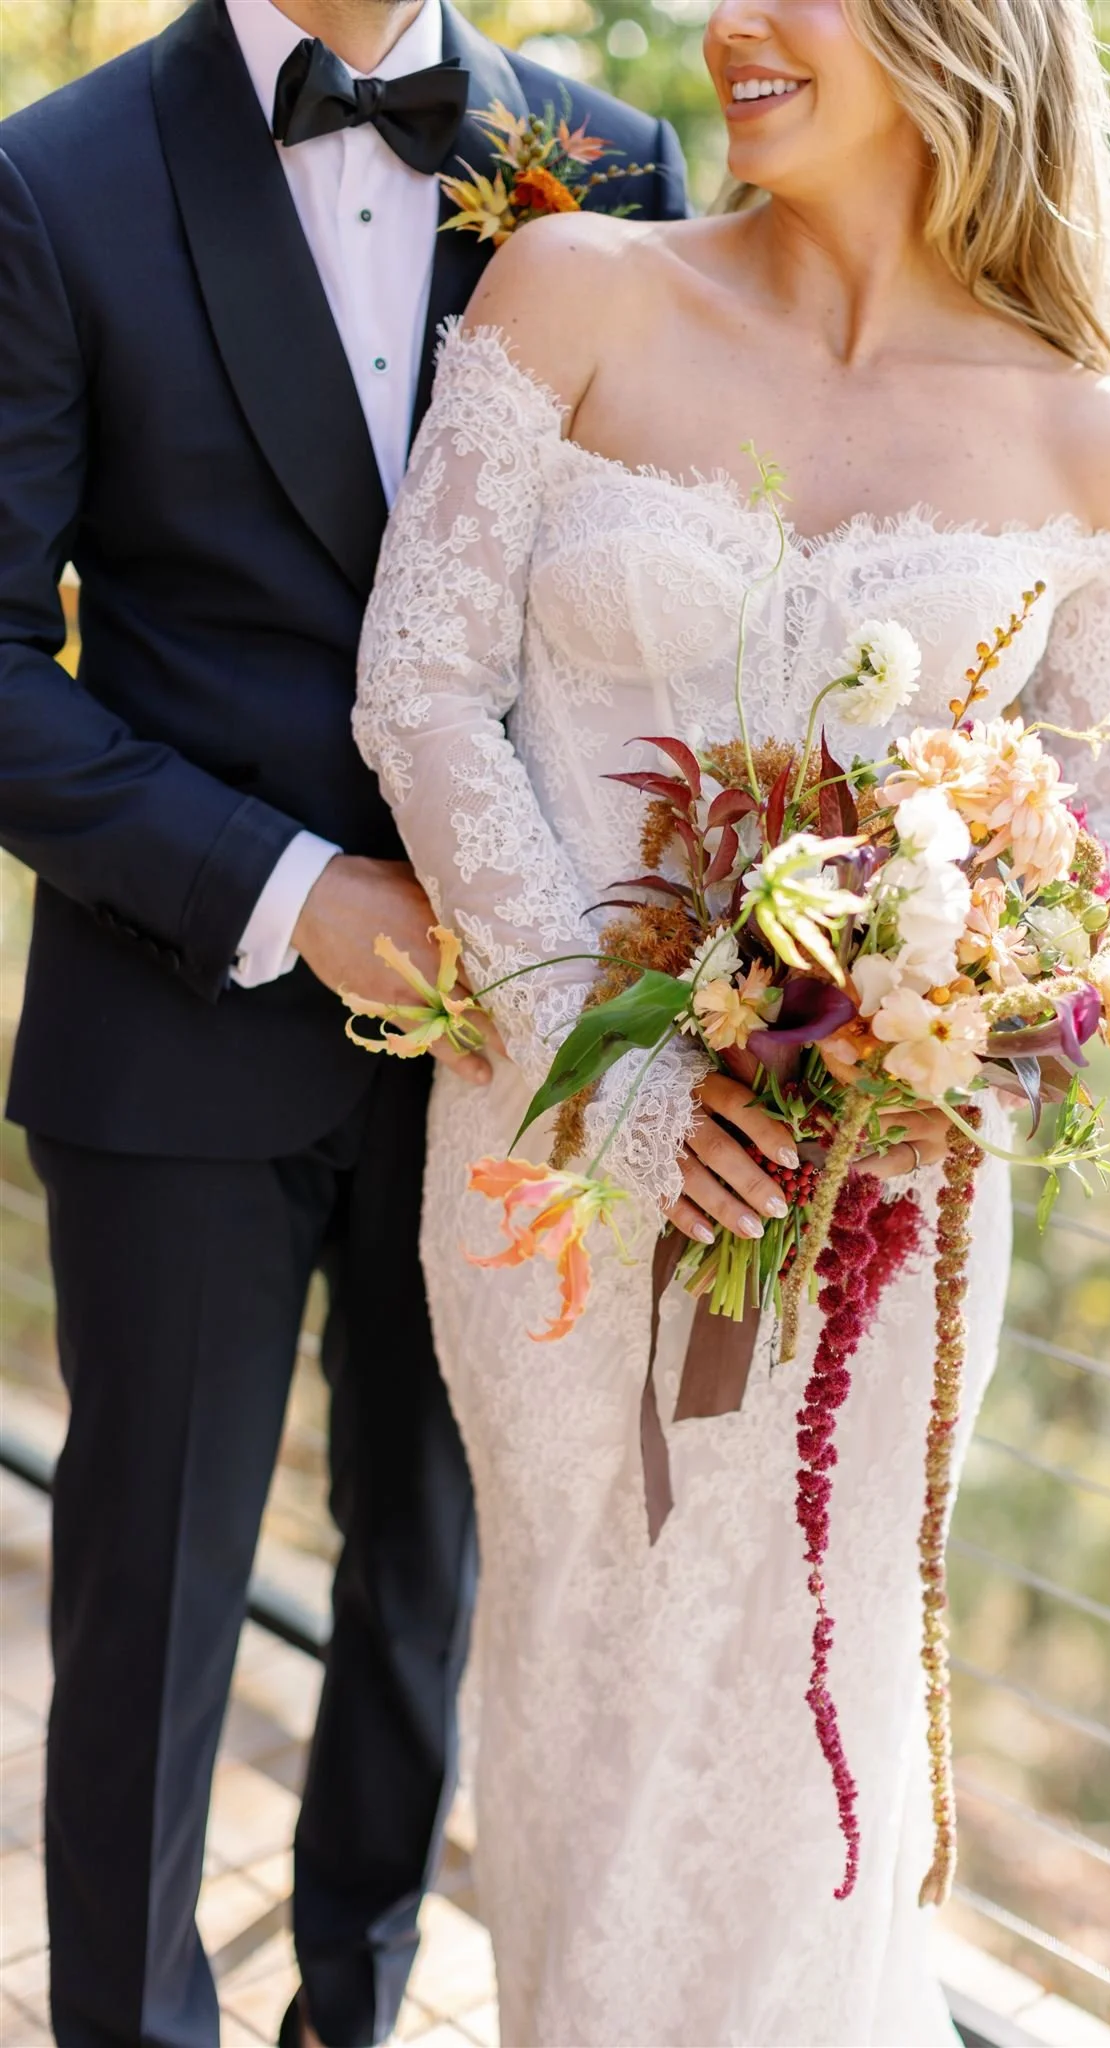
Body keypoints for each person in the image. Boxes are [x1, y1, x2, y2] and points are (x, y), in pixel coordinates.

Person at [354, 0, 1110, 2038]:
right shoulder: (575, 290)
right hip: (559, 1166)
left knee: (830, 1718)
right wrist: (603, 1058)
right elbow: (421, 687)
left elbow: (1104, 848)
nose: (732, 27)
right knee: (592, 1691)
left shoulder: (1091, 440)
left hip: (878, 1216)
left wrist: (949, 1041)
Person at [0, 0, 686, 2039]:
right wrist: (296, 897)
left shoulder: (613, 157)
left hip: (512, 1036)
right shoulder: (56, 177)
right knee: (153, 1614)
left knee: (424, 1584)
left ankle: (357, 2007)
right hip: (178, 1012)